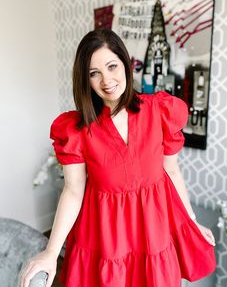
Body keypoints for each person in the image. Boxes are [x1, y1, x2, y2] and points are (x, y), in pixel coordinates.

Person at [21, 29, 216, 287]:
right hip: (107, 237)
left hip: (152, 231)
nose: (106, 80)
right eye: (94, 73)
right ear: (85, 79)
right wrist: (51, 252)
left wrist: (192, 222)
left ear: (125, 63)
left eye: (112, 66)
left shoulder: (159, 111)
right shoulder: (78, 129)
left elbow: (172, 171)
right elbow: (72, 190)